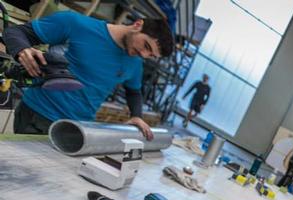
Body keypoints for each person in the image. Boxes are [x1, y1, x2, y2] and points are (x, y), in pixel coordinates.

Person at [3, 11, 174, 139]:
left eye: (151, 55)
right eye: (146, 45)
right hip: (38, 115)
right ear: (137, 24)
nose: (144, 54)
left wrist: (136, 115)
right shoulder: (76, 24)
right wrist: (22, 49)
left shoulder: (135, 62)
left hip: (79, 128)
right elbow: (15, 32)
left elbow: (134, 91)